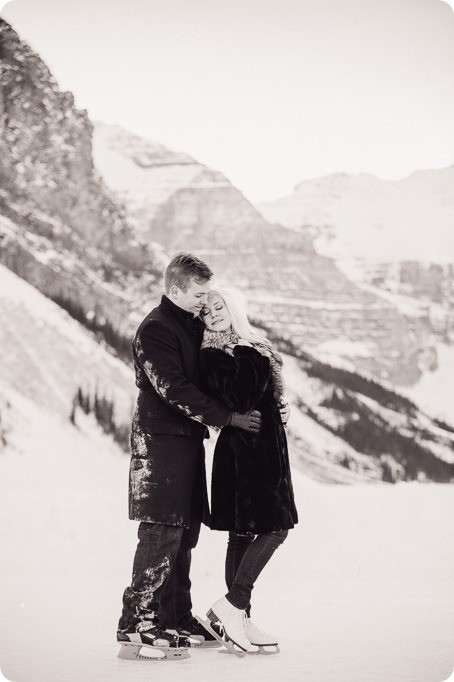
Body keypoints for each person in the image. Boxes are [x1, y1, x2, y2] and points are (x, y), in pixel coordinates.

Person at [117, 253, 262, 661]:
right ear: (175, 289)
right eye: (198, 294)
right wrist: (227, 418)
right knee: (161, 530)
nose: (204, 301)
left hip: (186, 442)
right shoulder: (156, 329)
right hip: (159, 444)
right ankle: (135, 625)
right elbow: (173, 388)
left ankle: (175, 615)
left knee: (183, 532)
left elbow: (217, 371)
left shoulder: (190, 323)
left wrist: (269, 400)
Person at [197, 286, 298, 656]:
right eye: (205, 313)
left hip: (263, 450)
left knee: (242, 535)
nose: (213, 315)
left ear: (232, 306)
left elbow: (266, 395)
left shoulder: (251, 346)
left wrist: (282, 409)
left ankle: (240, 614)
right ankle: (233, 604)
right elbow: (240, 397)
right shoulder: (214, 354)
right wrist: (245, 349)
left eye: (218, 307)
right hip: (246, 454)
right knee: (276, 528)